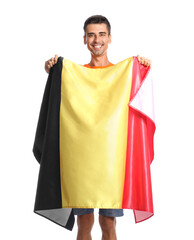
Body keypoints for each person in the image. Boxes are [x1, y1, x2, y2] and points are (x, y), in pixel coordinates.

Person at [44, 15, 152, 240]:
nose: (97, 39)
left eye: (102, 34)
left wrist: (141, 69)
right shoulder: (75, 74)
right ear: (84, 39)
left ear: (110, 38)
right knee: (84, 222)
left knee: (108, 223)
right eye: (91, 35)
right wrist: (53, 71)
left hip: (112, 160)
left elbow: (137, 104)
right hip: (82, 160)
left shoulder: (123, 74)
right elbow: (61, 95)